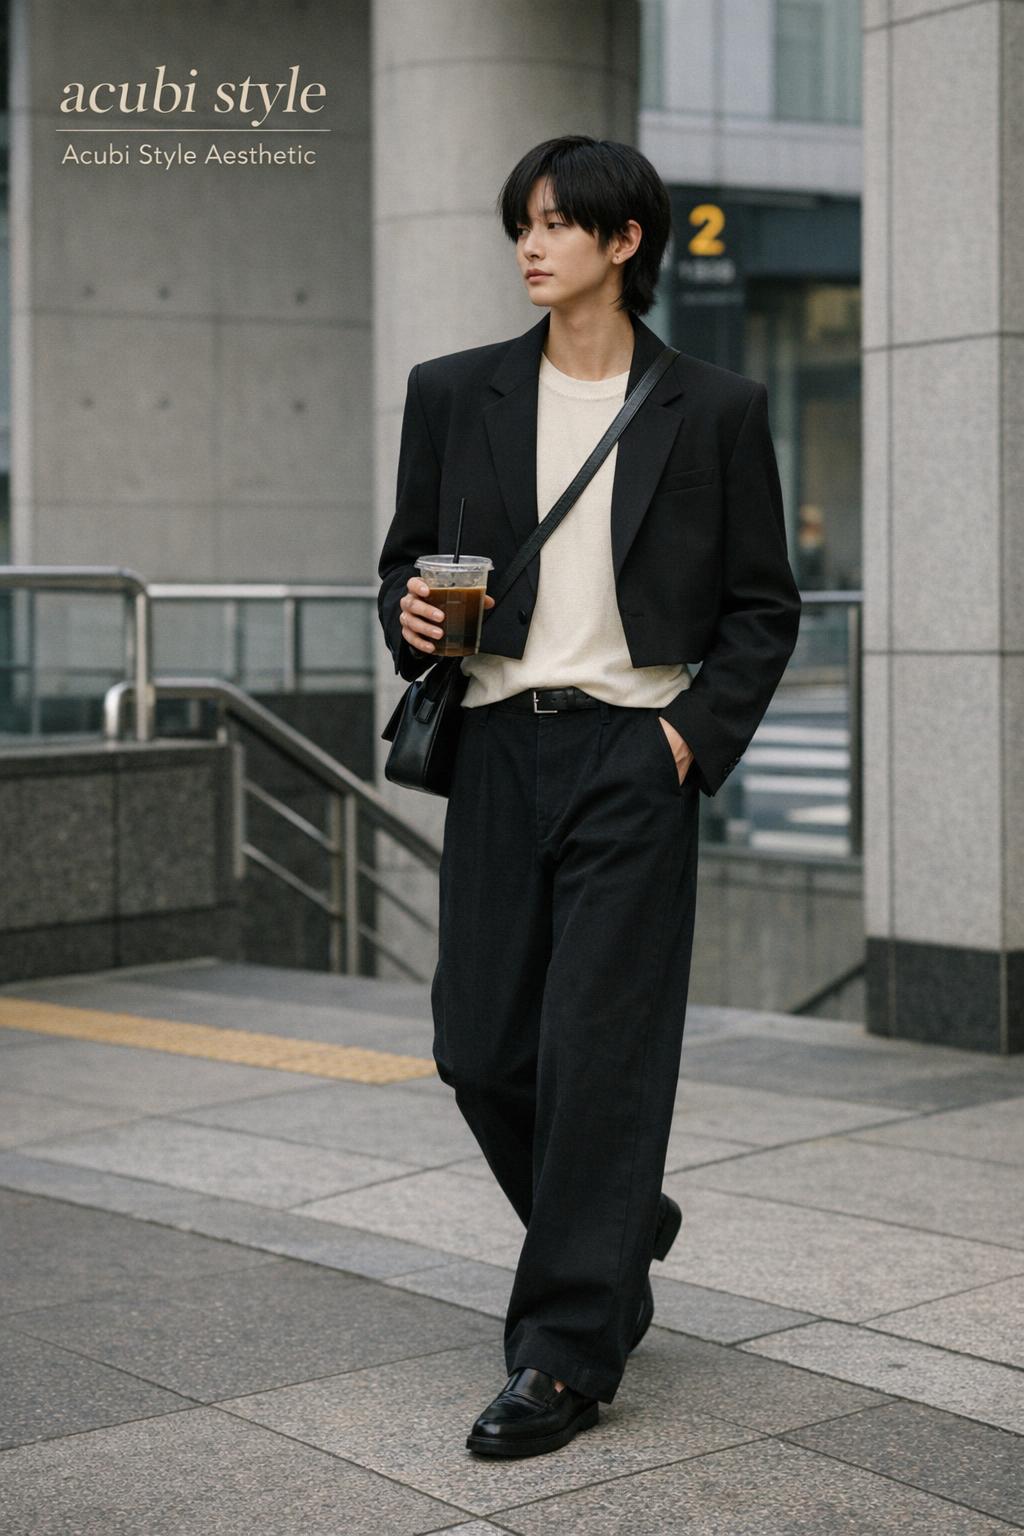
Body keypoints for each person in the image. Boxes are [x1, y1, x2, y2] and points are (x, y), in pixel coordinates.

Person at [377, 134, 801, 1458]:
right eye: (524, 222)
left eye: (559, 224)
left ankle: (565, 1352)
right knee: (481, 1050)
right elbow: (403, 572)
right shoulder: (454, 393)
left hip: (633, 752)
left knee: (601, 1066)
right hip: (501, 748)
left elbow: (761, 610)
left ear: (627, 244)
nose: (531, 244)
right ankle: (622, 1228)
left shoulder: (714, 409)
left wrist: (686, 742)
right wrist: (409, 617)